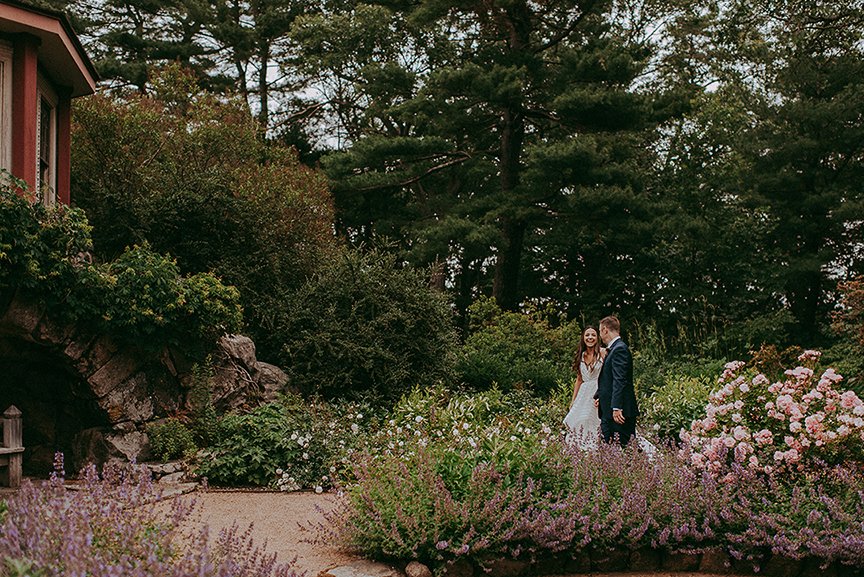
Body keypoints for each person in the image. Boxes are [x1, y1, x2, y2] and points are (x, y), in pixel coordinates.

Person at [593, 315, 638, 447]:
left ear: (605, 330)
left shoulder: (619, 349)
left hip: (619, 413)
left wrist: (617, 407)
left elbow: (620, 380)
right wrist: (600, 396)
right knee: (607, 448)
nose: (600, 335)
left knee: (626, 448)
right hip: (608, 411)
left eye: (600, 331)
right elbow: (609, 379)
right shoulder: (614, 349)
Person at [562, 326, 605, 448]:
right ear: (583, 338)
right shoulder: (581, 355)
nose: (590, 337)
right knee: (577, 420)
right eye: (587, 335)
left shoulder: (603, 353)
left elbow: (609, 375)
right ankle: (579, 450)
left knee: (591, 420)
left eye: (593, 335)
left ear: (597, 338)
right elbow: (579, 379)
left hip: (597, 390)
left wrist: (603, 395)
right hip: (583, 392)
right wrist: (573, 400)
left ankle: (594, 449)